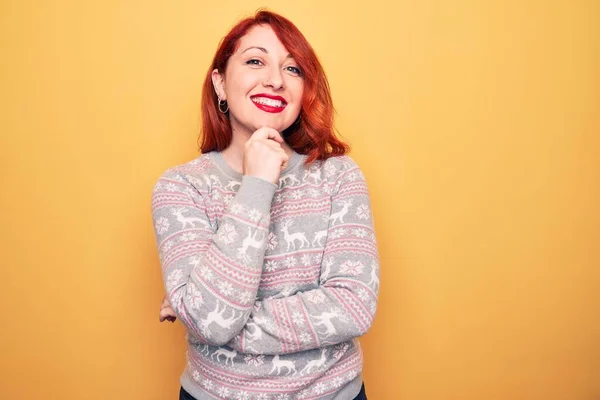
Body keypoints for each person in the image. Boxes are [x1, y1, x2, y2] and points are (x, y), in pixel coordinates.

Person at [152, 10, 380, 400]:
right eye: (255, 60)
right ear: (220, 83)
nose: (275, 80)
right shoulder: (180, 187)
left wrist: (204, 312)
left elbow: (353, 307)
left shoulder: (338, 176)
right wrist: (256, 184)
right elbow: (209, 319)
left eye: (293, 69)